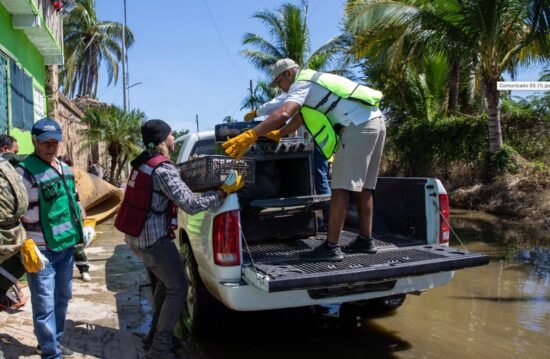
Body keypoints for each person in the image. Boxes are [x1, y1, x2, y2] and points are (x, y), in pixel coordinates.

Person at [223, 58, 386, 262]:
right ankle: (365, 240)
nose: (280, 89)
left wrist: (252, 134)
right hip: (374, 121)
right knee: (364, 188)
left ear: (288, 74)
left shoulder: (301, 83)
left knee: (341, 189)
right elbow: (301, 118)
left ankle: (331, 247)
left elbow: (284, 112)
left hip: (356, 126)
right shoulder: (315, 83)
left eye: (279, 83)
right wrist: (280, 133)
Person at [115, 119, 244, 359]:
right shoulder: (163, 170)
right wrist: (222, 191)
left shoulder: (143, 163)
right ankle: (159, 349)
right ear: (164, 140)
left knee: (166, 283)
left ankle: (154, 336)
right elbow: (192, 205)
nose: (174, 138)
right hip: (153, 241)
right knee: (179, 287)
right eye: (172, 135)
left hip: (137, 238)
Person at [16, 118, 86, 359]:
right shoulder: (23, 172)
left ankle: (53, 342)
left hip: (66, 247)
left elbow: (74, 201)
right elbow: (11, 212)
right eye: (46, 142)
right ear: (35, 141)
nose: (51, 147)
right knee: (44, 304)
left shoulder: (65, 169)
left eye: (55, 142)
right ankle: (50, 353)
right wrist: (22, 240)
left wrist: (83, 224)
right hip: (40, 251)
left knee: (62, 298)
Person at [244, 92, 331, 231]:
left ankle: (330, 223)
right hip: (317, 140)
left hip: (316, 140)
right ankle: (326, 220)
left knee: (320, 179)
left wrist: (257, 112)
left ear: (288, 75)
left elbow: (278, 104)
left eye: (279, 81)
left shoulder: (297, 91)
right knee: (319, 178)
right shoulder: (306, 92)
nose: (279, 86)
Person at [0, 145, 29, 312]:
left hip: (11, 231)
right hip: (11, 232)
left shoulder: (6, 164)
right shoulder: (7, 165)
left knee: (22, 261)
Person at [59, 155, 92, 283]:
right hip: (61, 220)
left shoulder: (71, 181)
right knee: (63, 247)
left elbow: (77, 200)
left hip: (73, 219)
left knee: (78, 246)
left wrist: (82, 215)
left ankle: (84, 270)